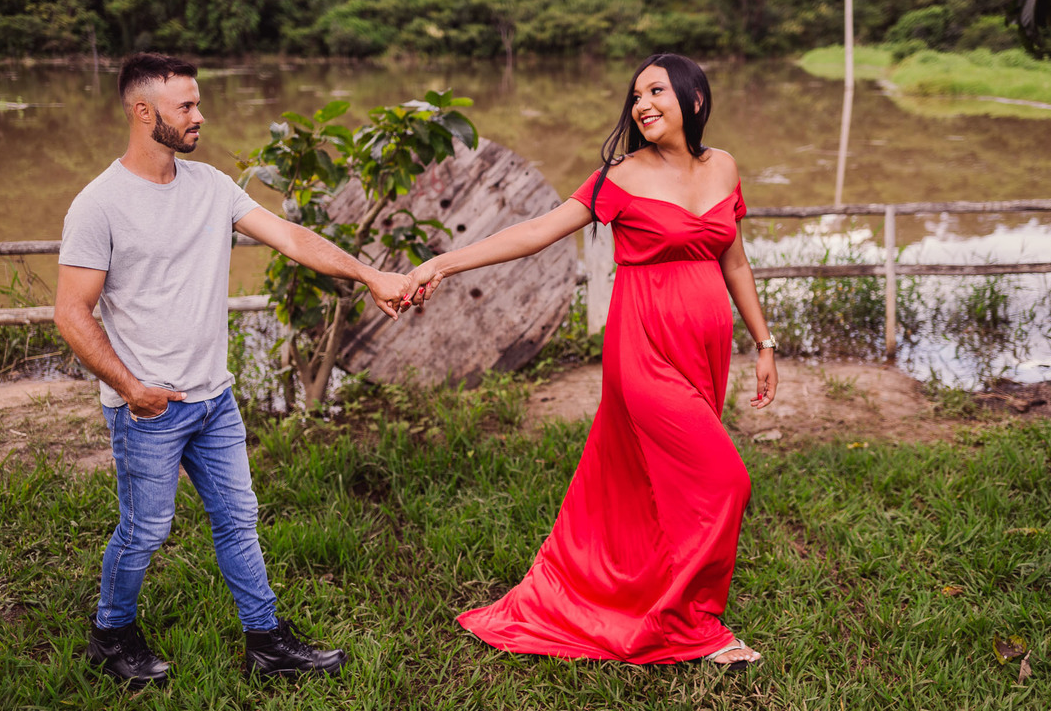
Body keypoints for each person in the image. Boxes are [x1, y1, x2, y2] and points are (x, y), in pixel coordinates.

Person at [405, 53, 778, 668]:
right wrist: (442, 263)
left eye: (656, 90)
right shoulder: (620, 176)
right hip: (645, 352)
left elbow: (734, 261)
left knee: (663, 486)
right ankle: (693, 626)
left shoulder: (724, 168)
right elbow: (537, 230)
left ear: (696, 100)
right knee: (725, 482)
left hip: (705, 353)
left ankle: (650, 595)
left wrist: (763, 344)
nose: (642, 105)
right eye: (636, 96)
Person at [54, 53, 413, 688]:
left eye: (198, 103)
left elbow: (293, 238)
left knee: (238, 517)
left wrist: (367, 273)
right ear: (144, 113)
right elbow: (71, 312)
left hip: (214, 400)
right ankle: (110, 635)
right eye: (186, 106)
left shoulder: (211, 186)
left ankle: (267, 640)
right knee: (144, 531)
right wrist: (130, 388)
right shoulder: (99, 205)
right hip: (149, 408)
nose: (201, 116)